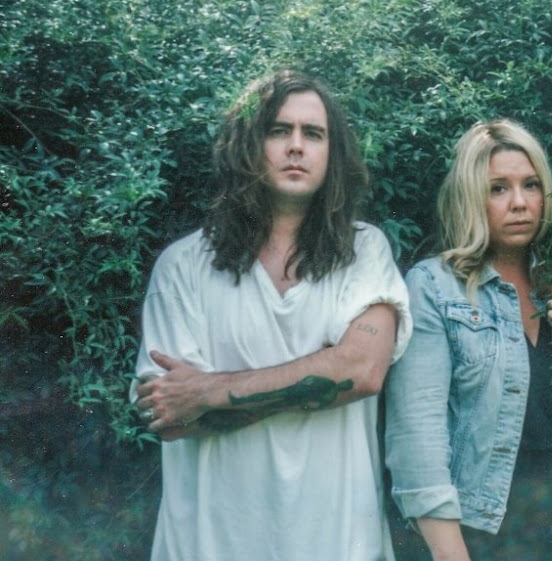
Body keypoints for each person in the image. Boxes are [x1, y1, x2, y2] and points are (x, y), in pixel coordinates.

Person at [131, 70, 411, 561]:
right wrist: (321, 372)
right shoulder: (183, 266)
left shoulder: (364, 251)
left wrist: (207, 392)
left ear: (332, 154)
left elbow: (362, 370)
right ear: (247, 144)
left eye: (314, 134)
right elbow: (170, 418)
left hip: (337, 543)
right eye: (279, 130)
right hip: (211, 544)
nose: (296, 146)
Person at [384, 119, 552, 560]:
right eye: (498, 188)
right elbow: (416, 439)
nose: (519, 203)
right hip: (480, 539)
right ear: (469, 196)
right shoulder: (435, 287)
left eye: (531, 185)